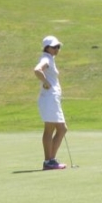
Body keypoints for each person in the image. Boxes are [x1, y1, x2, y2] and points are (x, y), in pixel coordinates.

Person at [34, 35, 68, 170]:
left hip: (51, 99)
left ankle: (50, 160)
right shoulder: (45, 59)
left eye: (58, 47)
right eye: (54, 47)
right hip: (49, 99)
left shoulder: (50, 59)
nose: (57, 49)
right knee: (53, 129)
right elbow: (37, 70)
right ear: (47, 48)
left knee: (61, 129)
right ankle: (49, 161)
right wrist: (46, 83)